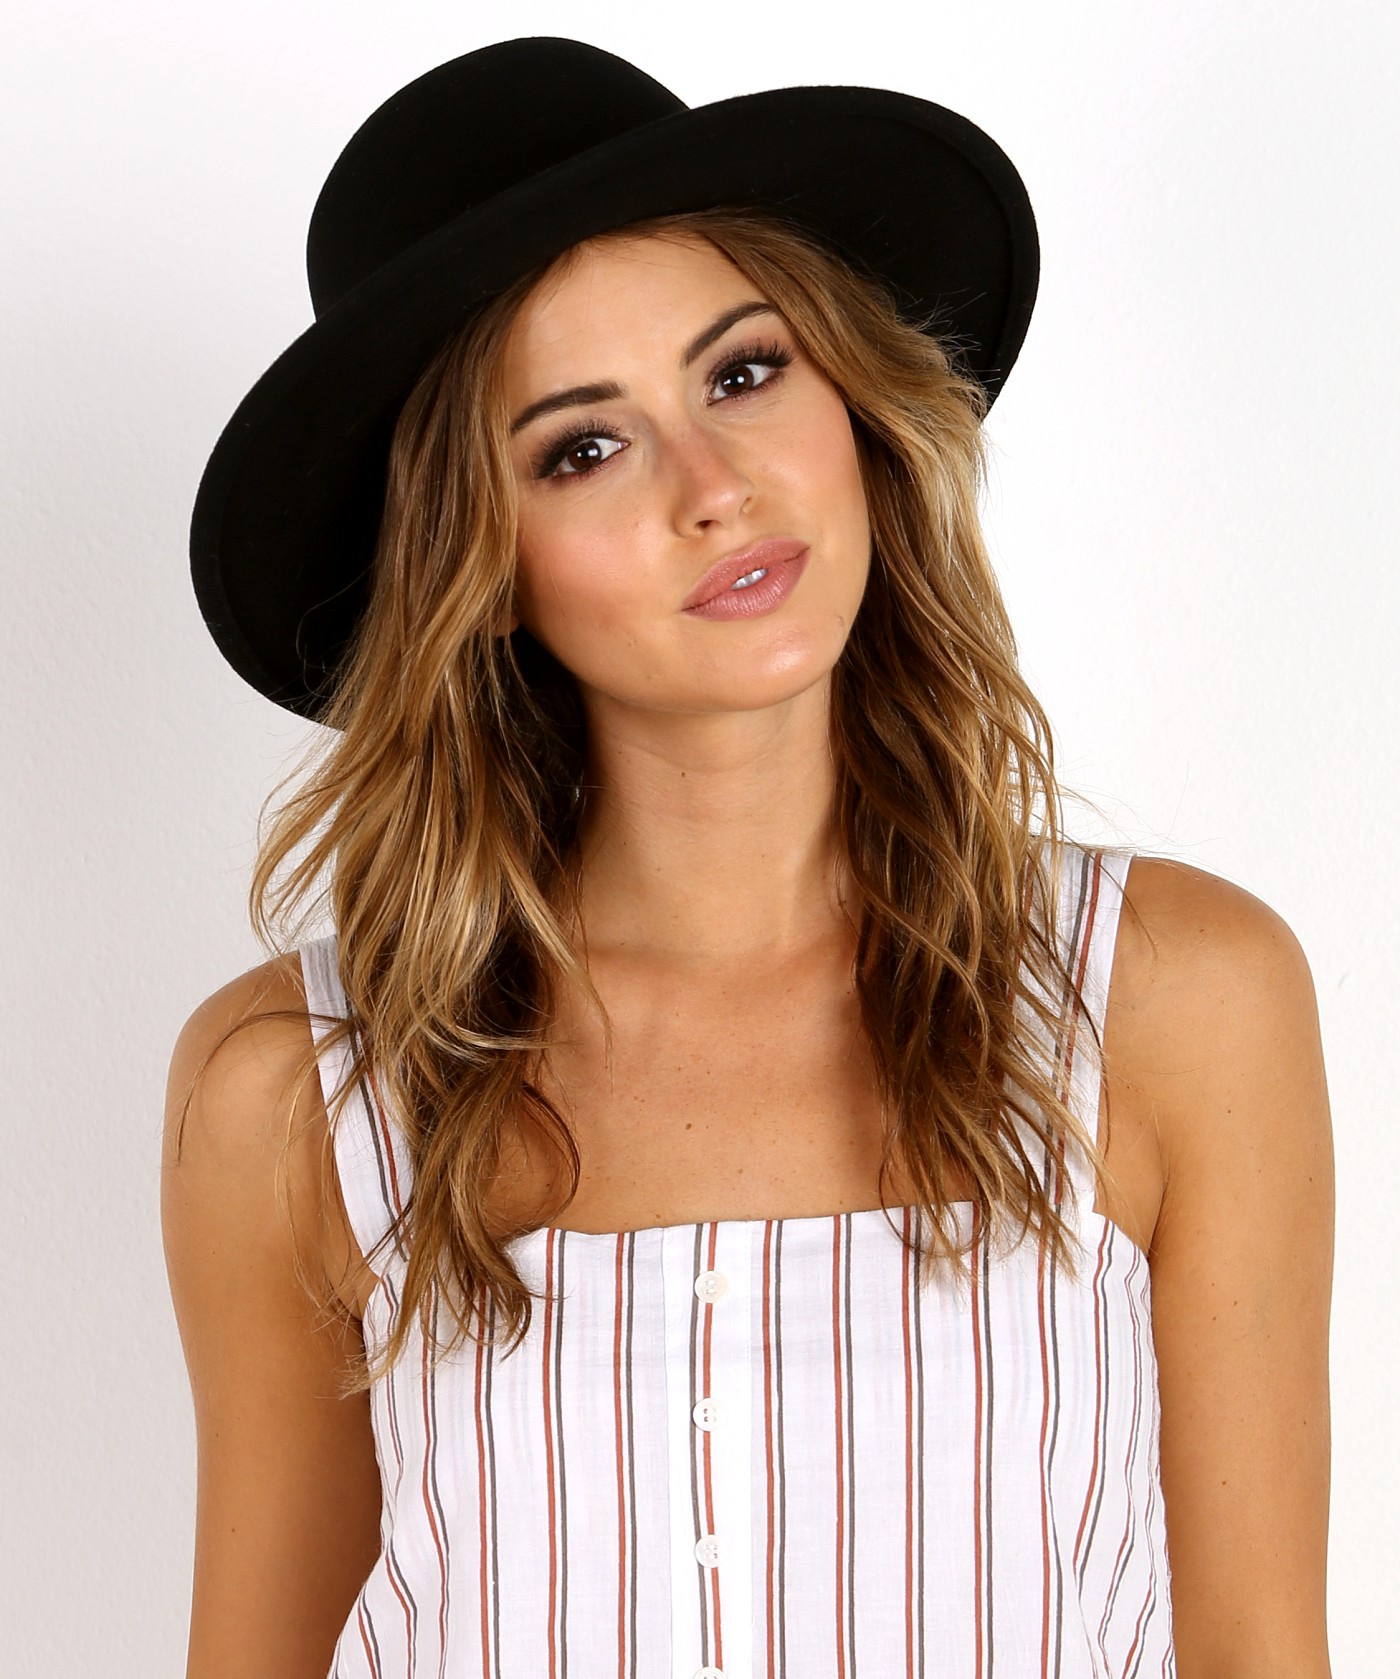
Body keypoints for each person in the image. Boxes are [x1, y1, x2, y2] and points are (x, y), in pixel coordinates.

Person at [161, 36, 1335, 1679]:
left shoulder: (1171, 1000)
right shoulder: (299, 1089)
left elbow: (1260, 1650)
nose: (715, 490)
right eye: (582, 447)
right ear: (476, 564)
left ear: (852, 396)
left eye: (743, 373)